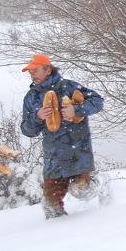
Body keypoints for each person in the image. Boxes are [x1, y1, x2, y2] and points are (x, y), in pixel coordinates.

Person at [19, 54, 108, 219]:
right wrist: (37, 117)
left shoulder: (68, 87)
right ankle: (60, 236)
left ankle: (102, 182)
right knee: (51, 206)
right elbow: (27, 130)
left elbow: (98, 101)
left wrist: (77, 110)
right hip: (53, 158)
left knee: (82, 192)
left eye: (35, 70)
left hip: (78, 152)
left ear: (47, 69)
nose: (32, 74)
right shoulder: (31, 97)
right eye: (30, 71)